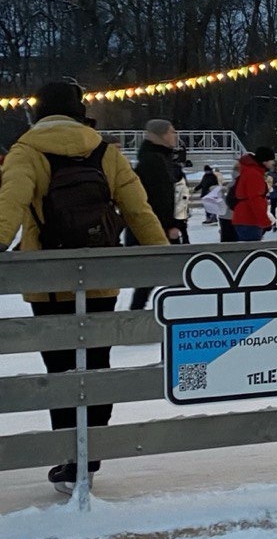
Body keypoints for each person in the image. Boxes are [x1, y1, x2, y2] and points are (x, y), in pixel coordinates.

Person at [0, 80, 167, 494]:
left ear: (39, 111)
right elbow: (138, 210)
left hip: (49, 284)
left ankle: (69, 459)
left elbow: (10, 206)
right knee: (96, 364)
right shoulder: (105, 151)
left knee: (59, 370)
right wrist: (163, 256)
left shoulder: (27, 151)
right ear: (79, 110)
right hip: (99, 280)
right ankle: (89, 458)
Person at [128, 118, 185, 309]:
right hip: (157, 229)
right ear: (159, 136)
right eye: (171, 132)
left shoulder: (160, 158)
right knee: (171, 276)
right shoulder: (154, 161)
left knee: (155, 278)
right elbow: (160, 198)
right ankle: (179, 319)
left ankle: (176, 316)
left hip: (159, 227)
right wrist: (172, 225)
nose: (174, 136)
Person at [230, 147, 275, 241]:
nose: (273, 163)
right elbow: (255, 200)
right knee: (252, 251)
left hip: (244, 218)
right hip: (249, 220)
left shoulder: (250, 171)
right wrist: (265, 222)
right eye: (271, 160)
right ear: (264, 161)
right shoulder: (254, 174)